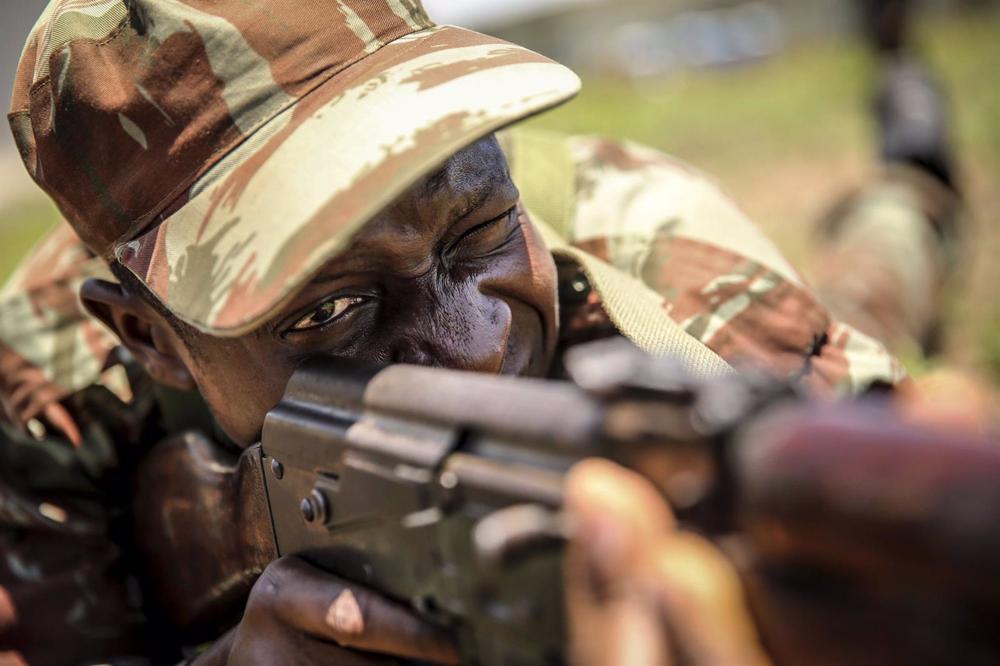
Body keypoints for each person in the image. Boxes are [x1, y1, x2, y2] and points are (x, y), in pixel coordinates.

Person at [0, 0, 949, 663]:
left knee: (875, 276)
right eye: (327, 311)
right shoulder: (49, 386)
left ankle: (914, 180)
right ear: (150, 337)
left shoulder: (677, 274)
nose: (475, 344)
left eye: (479, 235)